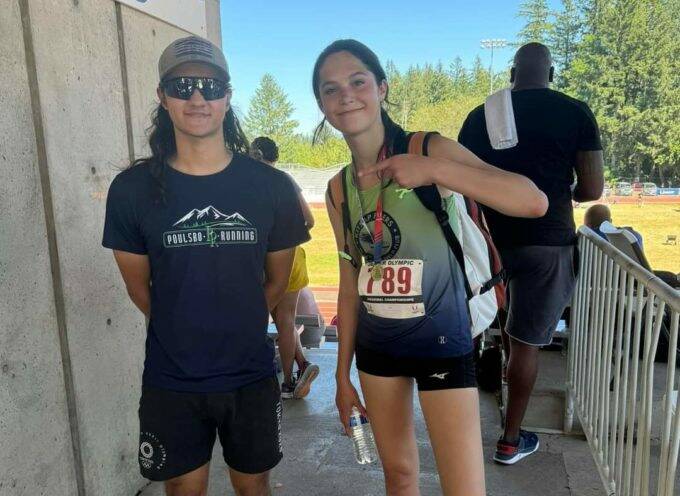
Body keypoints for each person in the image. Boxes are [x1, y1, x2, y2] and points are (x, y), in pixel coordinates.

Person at [316, 39, 548, 495]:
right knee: (398, 477)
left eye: (357, 81)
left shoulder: (429, 147)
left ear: (382, 88)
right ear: (322, 105)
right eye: (330, 88)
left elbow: (532, 201)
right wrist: (341, 376)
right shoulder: (338, 188)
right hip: (378, 350)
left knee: (463, 486)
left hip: (443, 340)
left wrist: (434, 172)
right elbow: (349, 282)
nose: (346, 95)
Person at [102, 36, 309, 496]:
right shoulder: (131, 190)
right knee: (182, 489)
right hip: (171, 378)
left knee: (254, 486)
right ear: (162, 96)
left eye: (211, 86)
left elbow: (277, 281)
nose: (198, 97)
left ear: (228, 97)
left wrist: (234, 326)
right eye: (183, 85)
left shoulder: (270, 187)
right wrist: (182, 328)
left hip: (250, 374)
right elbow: (140, 290)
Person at [458, 42, 604, 465]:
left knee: (493, 327)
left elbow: (462, 183)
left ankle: (471, 420)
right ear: (552, 74)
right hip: (548, 241)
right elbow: (592, 190)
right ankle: (510, 439)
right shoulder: (575, 111)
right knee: (527, 345)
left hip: (489, 243)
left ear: (511, 75)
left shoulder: (480, 115)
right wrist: (562, 193)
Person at [250, 136, 320, 399]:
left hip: (265, 259)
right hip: (294, 256)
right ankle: (297, 370)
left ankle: (286, 378)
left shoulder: (251, 182)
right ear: (275, 157)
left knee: (261, 319)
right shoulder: (285, 180)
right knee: (286, 320)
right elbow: (310, 220)